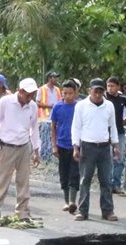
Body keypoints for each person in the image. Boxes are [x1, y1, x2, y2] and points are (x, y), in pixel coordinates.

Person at [0, 78, 41, 220]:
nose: (30, 98)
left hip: (24, 147)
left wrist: (36, 151)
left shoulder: (33, 106)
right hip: (6, 146)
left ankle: (22, 212)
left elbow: (34, 129)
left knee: (23, 181)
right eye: (28, 95)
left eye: (32, 95)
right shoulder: (5, 102)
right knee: (1, 181)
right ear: (21, 91)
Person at [71, 78, 120, 221]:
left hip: (104, 147)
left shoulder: (109, 106)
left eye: (100, 91)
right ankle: (83, 211)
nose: (98, 94)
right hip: (88, 146)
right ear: (89, 91)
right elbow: (76, 127)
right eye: (95, 91)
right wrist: (76, 147)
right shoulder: (81, 106)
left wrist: (116, 145)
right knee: (85, 179)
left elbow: (113, 126)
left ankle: (108, 211)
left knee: (106, 181)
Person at [50, 79, 80, 213]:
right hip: (61, 145)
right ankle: (67, 201)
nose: (67, 96)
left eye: (70, 93)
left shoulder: (79, 107)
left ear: (75, 93)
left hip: (75, 145)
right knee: (64, 173)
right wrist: (54, 146)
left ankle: (73, 200)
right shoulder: (57, 107)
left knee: (74, 173)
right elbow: (53, 127)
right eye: (65, 93)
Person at [105, 76, 126, 194]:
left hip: (119, 132)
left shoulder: (122, 99)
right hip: (105, 132)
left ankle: (116, 184)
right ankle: (107, 184)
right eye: (108, 86)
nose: (110, 89)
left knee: (119, 158)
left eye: (112, 86)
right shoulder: (104, 98)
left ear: (118, 87)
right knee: (107, 159)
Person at [36, 71, 61, 161]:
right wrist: (49, 106)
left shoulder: (57, 90)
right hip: (44, 118)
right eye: (54, 77)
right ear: (49, 78)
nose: (56, 79)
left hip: (54, 118)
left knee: (53, 137)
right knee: (45, 137)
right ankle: (44, 156)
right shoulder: (41, 89)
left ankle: (51, 155)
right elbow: (38, 103)